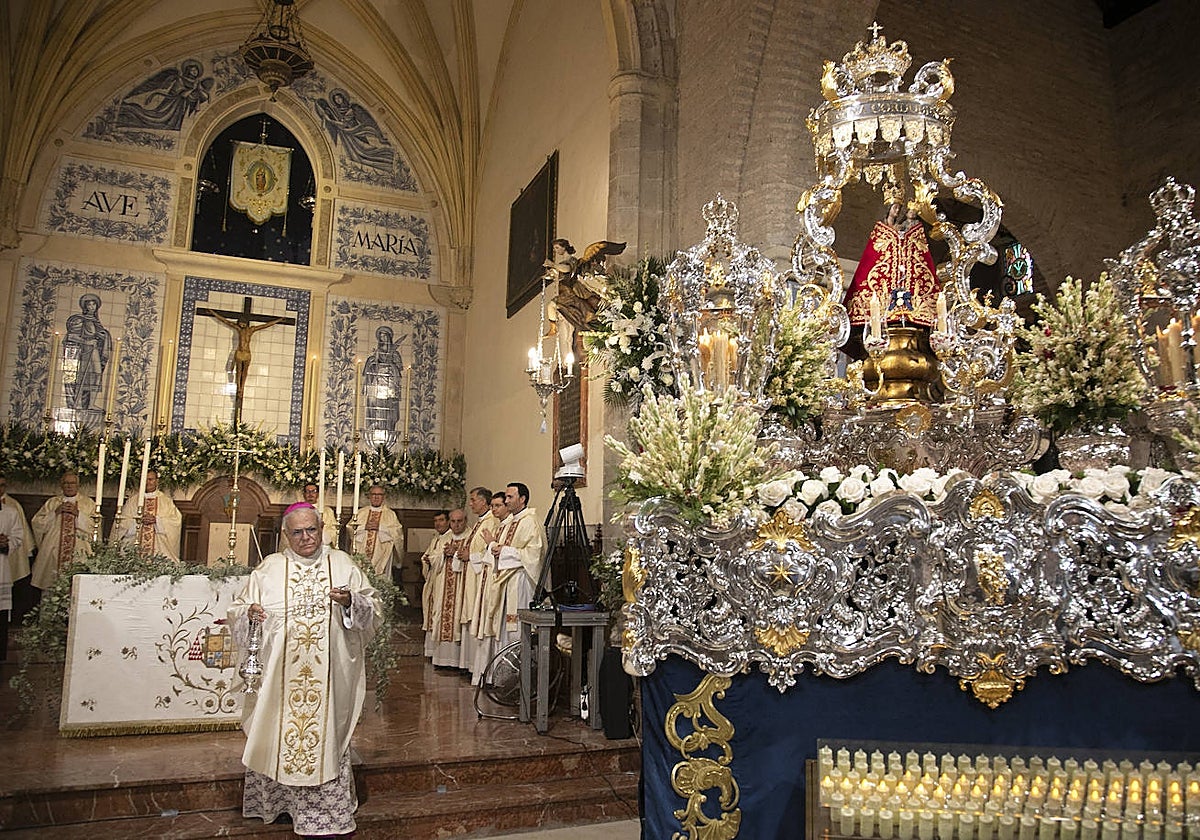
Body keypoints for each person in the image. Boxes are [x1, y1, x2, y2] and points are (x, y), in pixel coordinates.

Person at [228, 503, 381, 838]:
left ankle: (324, 813)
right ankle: (281, 803)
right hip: (279, 679)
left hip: (329, 677)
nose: (306, 538)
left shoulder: (341, 563)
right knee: (277, 732)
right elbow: (238, 611)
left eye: (311, 529)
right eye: (297, 532)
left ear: (322, 527)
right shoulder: (269, 568)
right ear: (286, 535)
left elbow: (372, 608)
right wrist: (249, 614)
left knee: (325, 738)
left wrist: (348, 602)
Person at [842, 199, 941, 336]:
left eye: (899, 209)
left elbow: (919, 249)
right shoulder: (882, 230)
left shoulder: (914, 230)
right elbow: (874, 255)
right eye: (895, 208)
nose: (897, 211)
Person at [481, 483, 545, 658]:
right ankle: (503, 674)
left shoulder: (530, 521)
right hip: (505, 582)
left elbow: (534, 554)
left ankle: (520, 675)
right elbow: (497, 550)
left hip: (521, 581)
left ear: (522, 499)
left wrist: (500, 549)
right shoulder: (510, 523)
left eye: (510, 497)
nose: (506, 500)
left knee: (517, 627)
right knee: (504, 628)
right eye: (506, 497)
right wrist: (494, 547)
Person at [468, 491, 508, 685]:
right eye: (493, 506)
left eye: (497, 506)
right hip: (488, 578)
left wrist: (490, 546)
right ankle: (485, 675)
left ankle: (492, 676)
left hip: (497, 581)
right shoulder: (498, 525)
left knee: (492, 628)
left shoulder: (500, 525)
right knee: (486, 627)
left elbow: (499, 551)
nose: (494, 510)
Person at [31, 472, 95, 590]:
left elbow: (95, 527)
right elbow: (37, 524)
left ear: (77, 485)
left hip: (79, 554)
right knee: (51, 589)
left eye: (72, 483)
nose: (69, 486)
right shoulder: (52, 503)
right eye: (66, 483)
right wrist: (55, 512)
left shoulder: (88, 503)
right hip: (53, 553)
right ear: (61, 485)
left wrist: (78, 514)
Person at [425, 508, 469, 669]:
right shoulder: (445, 538)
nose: (456, 525)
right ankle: (442, 660)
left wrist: (456, 552)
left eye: (460, 521)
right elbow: (434, 557)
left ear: (465, 521)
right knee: (441, 617)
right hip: (443, 585)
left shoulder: (470, 536)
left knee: (457, 618)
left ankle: (457, 661)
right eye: (453, 521)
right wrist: (444, 554)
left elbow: (473, 556)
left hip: (461, 588)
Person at [457, 487, 494, 675]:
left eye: (473, 500)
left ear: (483, 501)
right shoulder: (480, 522)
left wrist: (470, 555)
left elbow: (490, 550)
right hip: (471, 576)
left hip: (479, 578)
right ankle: (470, 666)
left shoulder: (490, 522)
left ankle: (477, 668)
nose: (470, 504)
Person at [115, 469, 182, 561]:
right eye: (144, 479)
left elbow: (175, 521)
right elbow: (122, 523)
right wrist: (137, 521)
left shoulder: (166, 501)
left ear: (157, 481)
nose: (147, 482)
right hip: (134, 546)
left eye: (150, 479)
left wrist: (157, 520)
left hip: (160, 549)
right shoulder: (132, 501)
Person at [62, 293, 113, 412]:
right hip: (82, 352)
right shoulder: (79, 320)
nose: (92, 306)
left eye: (94, 304)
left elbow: (99, 335)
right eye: (89, 304)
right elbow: (71, 336)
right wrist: (86, 341)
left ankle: (91, 404)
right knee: (80, 376)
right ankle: (77, 403)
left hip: (94, 351)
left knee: (97, 373)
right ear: (85, 306)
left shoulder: (96, 321)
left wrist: (103, 336)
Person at [0, 475, 28, 659]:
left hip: (1, 568)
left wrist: (6, 542)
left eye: (2, 485)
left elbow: (18, 537)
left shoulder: (10, 511)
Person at [362, 326, 405, 437]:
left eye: (385, 336)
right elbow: (369, 370)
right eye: (381, 337)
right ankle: (375, 425)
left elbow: (399, 371)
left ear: (389, 338)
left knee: (390, 408)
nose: (383, 339)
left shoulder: (395, 355)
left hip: (390, 387)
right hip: (377, 386)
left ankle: (389, 428)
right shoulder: (374, 356)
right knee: (376, 405)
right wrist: (376, 364)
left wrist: (390, 366)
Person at [351, 485, 402, 576]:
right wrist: (364, 527)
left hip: (382, 553)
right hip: (361, 551)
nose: (376, 497)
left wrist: (380, 527)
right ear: (369, 496)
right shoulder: (361, 512)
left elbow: (397, 534)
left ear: (384, 497)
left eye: (379, 494)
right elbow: (350, 528)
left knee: (380, 578)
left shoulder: (390, 514)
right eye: (373, 494)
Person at [420, 510, 450, 658]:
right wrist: (426, 560)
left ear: (448, 521)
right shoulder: (436, 538)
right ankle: (431, 650)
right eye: (436, 521)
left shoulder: (450, 538)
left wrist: (431, 560)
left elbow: (438, 558)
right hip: (433, 580)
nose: (438, 523)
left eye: (441, 520)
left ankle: (440, 654)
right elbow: (428, 556)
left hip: (442, 581)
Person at [280, 483, 338, 551]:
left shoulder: (327, 511)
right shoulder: (294, 511)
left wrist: (324, 535)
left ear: (318, 494)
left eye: (314, 491)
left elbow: (333, 530)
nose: (310, 494)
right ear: (304, 494)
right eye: (308, 491)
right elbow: (287, 531)